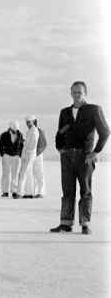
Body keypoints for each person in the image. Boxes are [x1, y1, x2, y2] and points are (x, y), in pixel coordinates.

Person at [50, 81, 109, 234]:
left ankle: (85, 224)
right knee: (67, 191)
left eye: (80, 92)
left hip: (85, 157)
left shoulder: (93, 110)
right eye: (74, 92)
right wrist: (60, 148)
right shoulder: (65, 112)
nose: (77, 95)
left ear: (85, 93)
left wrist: (95, 152)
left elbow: (105, 132)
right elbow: (60, 133)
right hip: (67, 157)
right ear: (71, 93)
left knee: (86, 191)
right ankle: (65, 223)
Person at [0, 121, 24, 198]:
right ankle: (5, 192)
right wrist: (2, 154)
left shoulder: (20, 135)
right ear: (10, 127)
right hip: (6, 156)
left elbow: (21, 145)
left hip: (16, 157)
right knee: (5, 174)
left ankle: (14, 191)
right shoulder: (4, 135)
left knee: (15, 175)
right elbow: (0, 145)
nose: (15, 130)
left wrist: (19, 154)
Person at [17, 115, 39, 199]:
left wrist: (27, 151)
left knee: (22, 173)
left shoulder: (34, 130)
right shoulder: (30, 130)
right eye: (27, 122)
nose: (27, 123)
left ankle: (19, 193)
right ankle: (29, 193)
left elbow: (33, 143)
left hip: (29, 155)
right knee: (28, 174)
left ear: (33, 121)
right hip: (27, 154)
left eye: (29, 122)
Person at [32, 119, 47, 198]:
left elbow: (44, 144)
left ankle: (41, 192)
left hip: (37, 155)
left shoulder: (39, 131)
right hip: (32, 156)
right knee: (33, 174)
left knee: (39, 173)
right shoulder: (30, 132)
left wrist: (37, 153)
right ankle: (34, 191)